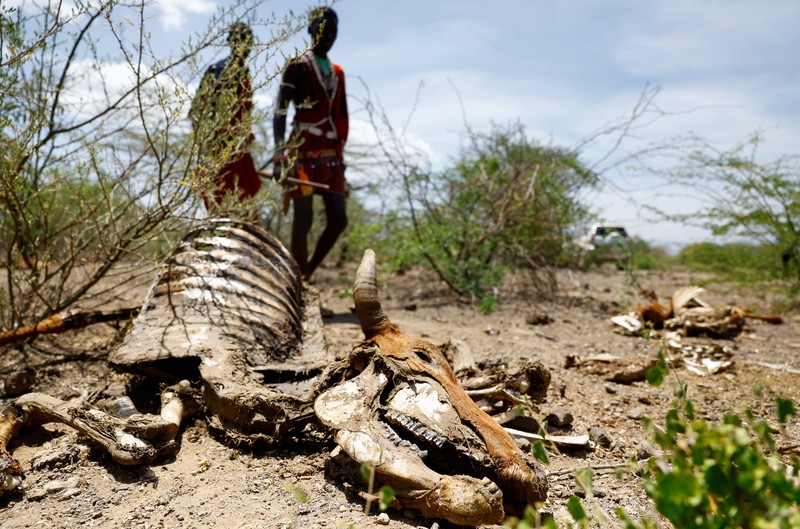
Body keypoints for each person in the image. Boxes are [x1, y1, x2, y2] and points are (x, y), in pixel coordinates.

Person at [273, 7, 348, 280]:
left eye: (333, 31)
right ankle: (298, 287)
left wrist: (341, 155)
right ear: (310, 30)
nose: (328, 36)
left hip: (330, 154)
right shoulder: (297, 66)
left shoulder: (337, 72)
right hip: (301, 152)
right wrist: (280, 149)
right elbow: (280, 109)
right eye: (322, 30)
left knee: (339, 219)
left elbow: (340, 117)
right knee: (303, 219)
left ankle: (305, 277)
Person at [190, 22, 261, 214]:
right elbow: (197, 111)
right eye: (240, 42)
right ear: (231, 43)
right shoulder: (217, 71)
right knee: (222, 206)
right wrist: (207, 144)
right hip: (219, 150)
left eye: (248, 42)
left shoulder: (245, 73)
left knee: (245, 207)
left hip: (240, 151)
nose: (245, 48)